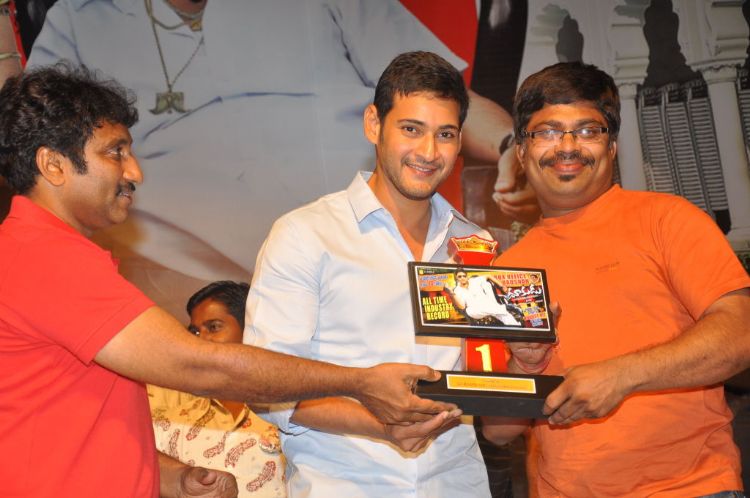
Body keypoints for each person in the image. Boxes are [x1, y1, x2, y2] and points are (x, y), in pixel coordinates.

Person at [0, 64, 454, 498]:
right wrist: (360, 382)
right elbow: (199, 366)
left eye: (447, 134)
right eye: (115, 152)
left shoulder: (39, 254)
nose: (134, 172)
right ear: (53, 165)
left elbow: (68, 419)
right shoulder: (42, 257)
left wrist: (170, 476)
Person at [26, 0, 536, 317]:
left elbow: (447, 100)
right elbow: (35, 147)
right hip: (181, 292)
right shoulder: (81, 17)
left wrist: (513, 149)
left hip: (364, 257)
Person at [481, 61, 750, 497]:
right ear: (522, 153)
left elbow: (740, 334)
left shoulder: (667, 220)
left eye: (588, 131)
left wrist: (621, 376)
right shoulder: (507, 271)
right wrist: (525, 365)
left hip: (688, 488)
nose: (568, 146)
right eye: (547, 132)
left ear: (612, 148)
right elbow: (497, 430)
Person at [245, 51, 493, 498]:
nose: (428, 152)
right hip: (345, 486)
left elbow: (486, 381)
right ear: (374, 124)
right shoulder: (306, 234)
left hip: (457, 485)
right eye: (411, 129)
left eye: (445, 134)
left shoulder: (474, 244)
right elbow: (265, 385)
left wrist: (526, 358)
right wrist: (377, 423)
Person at [149, 281, 286, 497]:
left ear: (249, 330)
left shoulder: (290, 417)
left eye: (213, 327)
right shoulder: (171, 424)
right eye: (194, 332)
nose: (200, 341)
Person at [444, 268, 521, 325]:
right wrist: (451, 293)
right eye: (459, 276)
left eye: (464, 276)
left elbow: (488, 276)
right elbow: (462, 306)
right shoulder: (457, 290)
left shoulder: (475, 280)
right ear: (456, 278)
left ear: (467, 276)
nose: (462, 278)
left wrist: (502, 285)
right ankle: (506, 307)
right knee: (469, 311)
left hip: (487, 304)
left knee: (504, 314)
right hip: (475, 310)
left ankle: (516, 326)